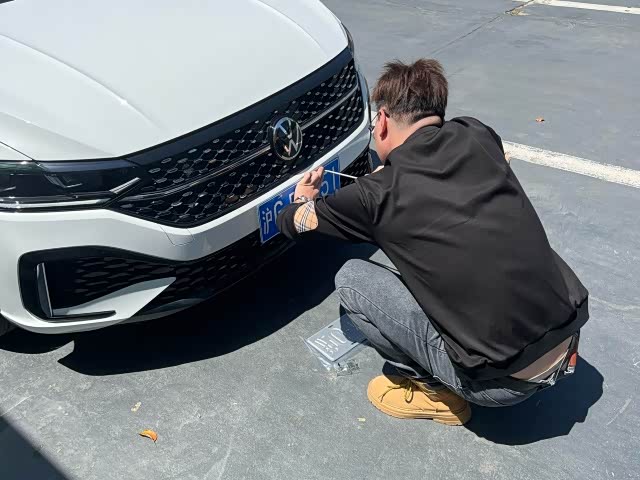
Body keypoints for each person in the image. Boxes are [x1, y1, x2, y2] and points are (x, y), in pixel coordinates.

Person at [276, 59, 589, 426]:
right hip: (568, 335)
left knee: (352, 280)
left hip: (501, 384)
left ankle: (437, 394)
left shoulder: (375, 195)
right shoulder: (476, 133)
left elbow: (293, 223)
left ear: (383, 120)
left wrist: (303, 197)